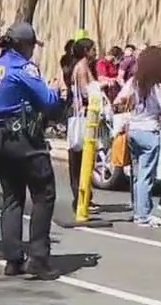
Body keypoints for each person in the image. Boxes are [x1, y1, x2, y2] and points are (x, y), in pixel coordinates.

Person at [0, 22, 63, 280]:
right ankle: (38, 258)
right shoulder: (22, 67)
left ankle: (12, 258)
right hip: (22, 138)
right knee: (43, 193)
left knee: (12, 198)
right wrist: (56, 90)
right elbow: (48, 102)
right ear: (25, 45)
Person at [112, 46, 161, 228]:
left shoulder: (133, 83)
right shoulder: (158, 88)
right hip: (150, 131)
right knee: (147, 175)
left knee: (137, 174)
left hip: (133, 130)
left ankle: (138, 211)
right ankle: (144, 215)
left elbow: (118, 101)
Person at [67, 38, 98, 213]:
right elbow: (87, 92)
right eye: (93, 49)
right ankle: (80, 198)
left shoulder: (84, 67)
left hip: (84, 115)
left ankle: (85, 197)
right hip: (80, 116)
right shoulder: (81, 68)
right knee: (79, 158)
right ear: (86, 51)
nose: (96, 52)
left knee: (85, 158)